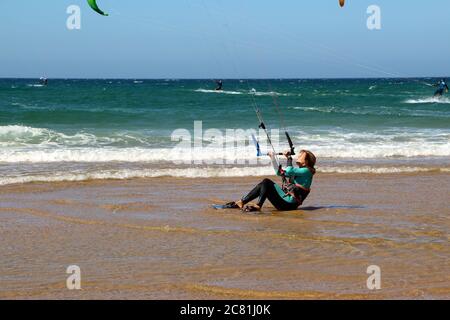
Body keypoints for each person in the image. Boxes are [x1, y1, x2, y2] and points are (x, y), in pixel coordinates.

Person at [225, 150, 316, 212]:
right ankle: (241, 202)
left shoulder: (307, 171)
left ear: (306, 161)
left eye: (301, 156)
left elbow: (289, 170)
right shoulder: (300, 172)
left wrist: (288, 158)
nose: (298, 156)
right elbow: (279, 173)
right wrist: (272, 157)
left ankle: (258, 205)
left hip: (288, 204)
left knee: (266, 182)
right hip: (286, 204)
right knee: (264, 184)